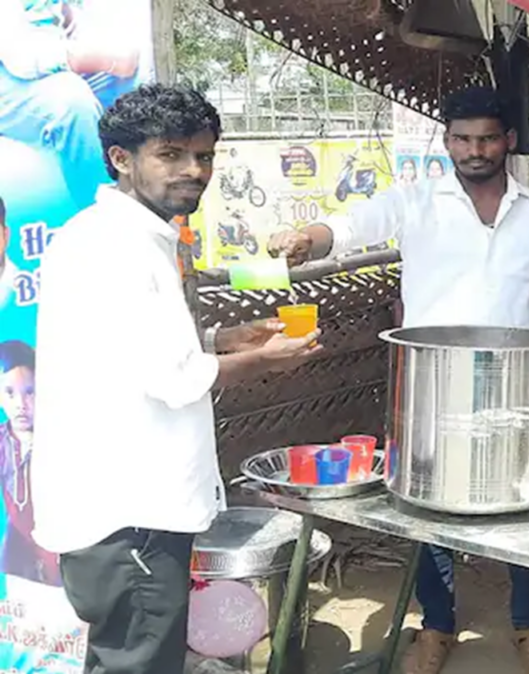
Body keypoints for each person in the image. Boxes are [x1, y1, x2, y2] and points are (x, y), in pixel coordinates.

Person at [268, 85, 529, 674]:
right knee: (426, 501)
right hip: (432, 377)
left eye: (487, 137)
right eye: (462, 138)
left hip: (520, 378)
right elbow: (351, 226)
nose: (474, 149)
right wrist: (306, 238)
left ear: (508, 140)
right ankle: (435, 626)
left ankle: (528, 625)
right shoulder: (416, 201)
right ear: (447, 140)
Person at [31, 84, 322, 674]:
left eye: (205, 155)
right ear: (121, 158)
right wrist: (268, 360)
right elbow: (175, 380)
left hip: (118, 511)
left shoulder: (115, 234)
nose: (194, 171)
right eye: (171, 154)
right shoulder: (121, 245)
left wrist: (221, 339)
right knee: (140, 662)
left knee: (125, 658)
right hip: (128, 514)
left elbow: (121, 353)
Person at [0, 0, 141, 209]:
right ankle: (104, 221)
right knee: (72, 103)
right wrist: (102, 60)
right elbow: (21, 56)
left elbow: (64, 16)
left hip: (42, 55)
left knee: (136, 82)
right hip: (12, 70)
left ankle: (151, 206)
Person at [0, 339, 59, 585]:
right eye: (10, 393)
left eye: (30, 392)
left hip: (55, 545)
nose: (20, 405)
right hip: (15, 551)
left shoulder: (56, 439)